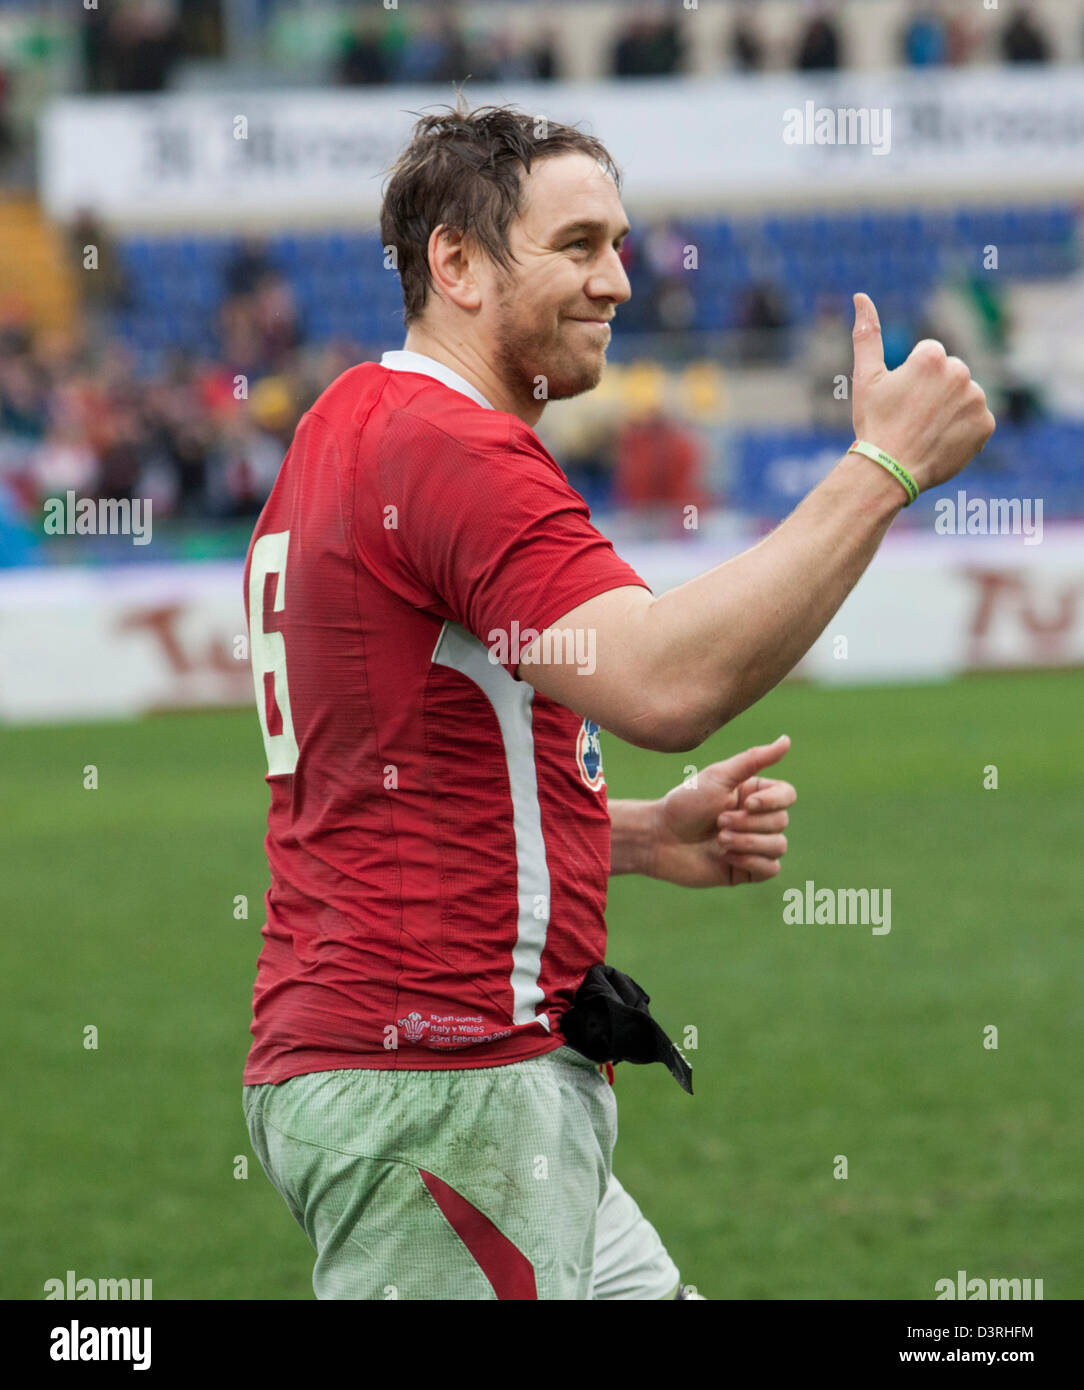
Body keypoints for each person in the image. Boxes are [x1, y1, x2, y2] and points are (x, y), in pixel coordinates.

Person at [240, 100, 994, 1301]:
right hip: (445, 1086)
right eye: (580, 244)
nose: (619, 281)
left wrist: (625, 834)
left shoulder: (351, 422)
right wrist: (882, 469)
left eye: (621, 243)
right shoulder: (452, 449)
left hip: (434, 1075)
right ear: (457, 264)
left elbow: (385, 765)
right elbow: (663, 679)